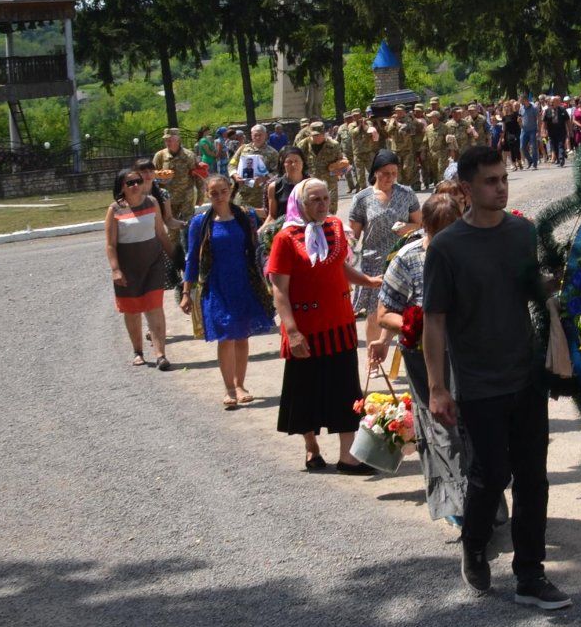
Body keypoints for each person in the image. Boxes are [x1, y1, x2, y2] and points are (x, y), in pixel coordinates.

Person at [424, 145, 568, 610]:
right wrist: (438, 387)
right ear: (466, 189)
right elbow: (434, 321)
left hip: (525, 377)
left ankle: (530, 576)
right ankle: (474, 544)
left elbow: (529, 289)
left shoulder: (521, 232)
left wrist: (563, 281)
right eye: (490, 181)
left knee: (533, 478)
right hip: (478, 384)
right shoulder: (447, 248)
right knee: (490, 475)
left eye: (504, 178)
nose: (501, 187)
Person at [266, 178, 383, 472]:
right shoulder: (285, 238)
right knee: (305, 390)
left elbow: (338, 266)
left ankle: (348, 457)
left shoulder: (334, 228)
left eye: (325, 199)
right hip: (304, 329)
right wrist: (291, 331)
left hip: (339, 324)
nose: (322, 205)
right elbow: (279, 288)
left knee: (346, 389)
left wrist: (366, 280)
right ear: (300, 204)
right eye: (314, 200)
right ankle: (311, 448)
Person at [369, 190, 470, 527]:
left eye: (451, 230)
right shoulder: (408, 257)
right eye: (436, 232)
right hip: (424, 359)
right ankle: (457, 505)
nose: (444, 239)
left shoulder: (471, 251)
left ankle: (478, 502)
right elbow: (384, 312)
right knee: (441, 431)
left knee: (471, 429)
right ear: (425, 228)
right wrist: (412, 324)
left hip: (468, 355)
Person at [181, 173, 276, 408]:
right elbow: (192, 258)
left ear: (230, 191)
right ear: (207, 194)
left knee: (242, 335)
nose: (219, 196)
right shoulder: (200, 223)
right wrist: (186, 292)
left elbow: (257, 250)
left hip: (244, 282)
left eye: (223, 191)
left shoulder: (244, 216)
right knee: (225, 336)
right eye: (214, 193)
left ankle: (241, 383)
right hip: (217, 286)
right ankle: (229, 389)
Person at [106, 167, 173, 369]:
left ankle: (161, 354)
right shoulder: (115, 210)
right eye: (130, 183)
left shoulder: (152, 203)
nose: (136, 185)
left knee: (154, 308)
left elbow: (161, 234)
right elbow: (110, 244)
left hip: (153, 264)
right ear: (122, 187)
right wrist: (115, 269)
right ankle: (138, 351)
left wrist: (176, 259)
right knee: (132, 310)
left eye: (138, 181)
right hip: (128, 268)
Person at [348, 148, 421, 320]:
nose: (390, 177)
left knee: (404, 312)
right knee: (375, 315)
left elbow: (420, 223)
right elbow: (353, 236)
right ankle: (375, 347)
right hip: (374, 264)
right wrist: (346, 261)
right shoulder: (362, 198)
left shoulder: (407, 194)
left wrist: (408, 227)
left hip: (402, 261)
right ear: (375, 172)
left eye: (394, 173)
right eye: (385, 173)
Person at [154, 127, 203, 220]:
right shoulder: (160, 156)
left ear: (178, 140)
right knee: (171, 227)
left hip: (186, 197)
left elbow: (198, 176)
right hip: (168, 199)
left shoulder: (189, 155)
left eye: (170, 140)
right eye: (165, 140)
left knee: (188, 225)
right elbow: (152, 175)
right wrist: (160, 179)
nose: (167, 142)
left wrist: (201, 196)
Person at [229, 123, 275, 212]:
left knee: (259, 220)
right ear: (251, 135)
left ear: (265, 135)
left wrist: (265, 178)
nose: (258, 137)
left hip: (261, 195)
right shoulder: (242, 149)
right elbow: (232, 164)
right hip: (243, 193)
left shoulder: (273, 153)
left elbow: (278, 172)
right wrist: (235, 175)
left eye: (260, 135)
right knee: (239, 216)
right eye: (255, 135)